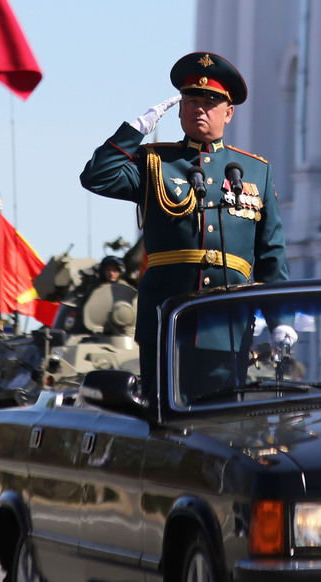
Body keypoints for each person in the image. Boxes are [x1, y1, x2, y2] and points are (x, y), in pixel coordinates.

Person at [80, 52, 294, 405]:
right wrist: (133, 131)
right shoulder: (153, 162)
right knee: (163, 418)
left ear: (229, 112)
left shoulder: (256, 172)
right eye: (191, 100)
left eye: (211, 102)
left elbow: (272, 254)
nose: (200, 108)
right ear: (179, 109)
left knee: (223, 421)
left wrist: (280, 319)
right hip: (167, 321)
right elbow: (97, 177)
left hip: (228, 326)